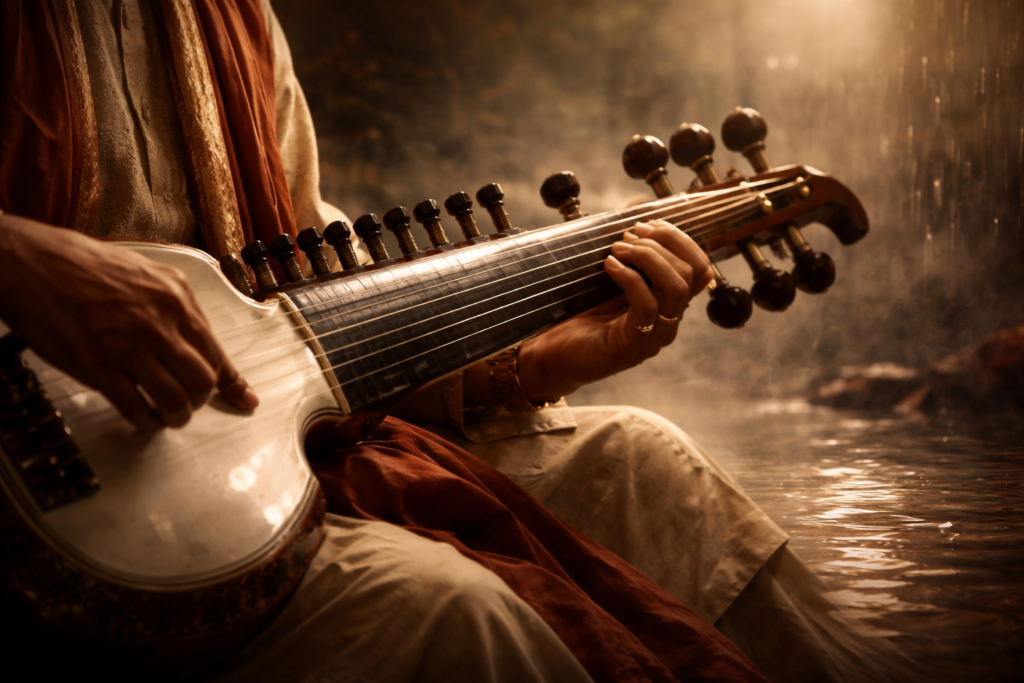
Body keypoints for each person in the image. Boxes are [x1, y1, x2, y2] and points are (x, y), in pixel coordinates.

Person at [0, 1, 917, 681]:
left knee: (645, 460)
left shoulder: (232, 24)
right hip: (62, 509)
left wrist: (530, 360)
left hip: (276, 451)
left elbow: (307, 303)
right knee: (453, 610)